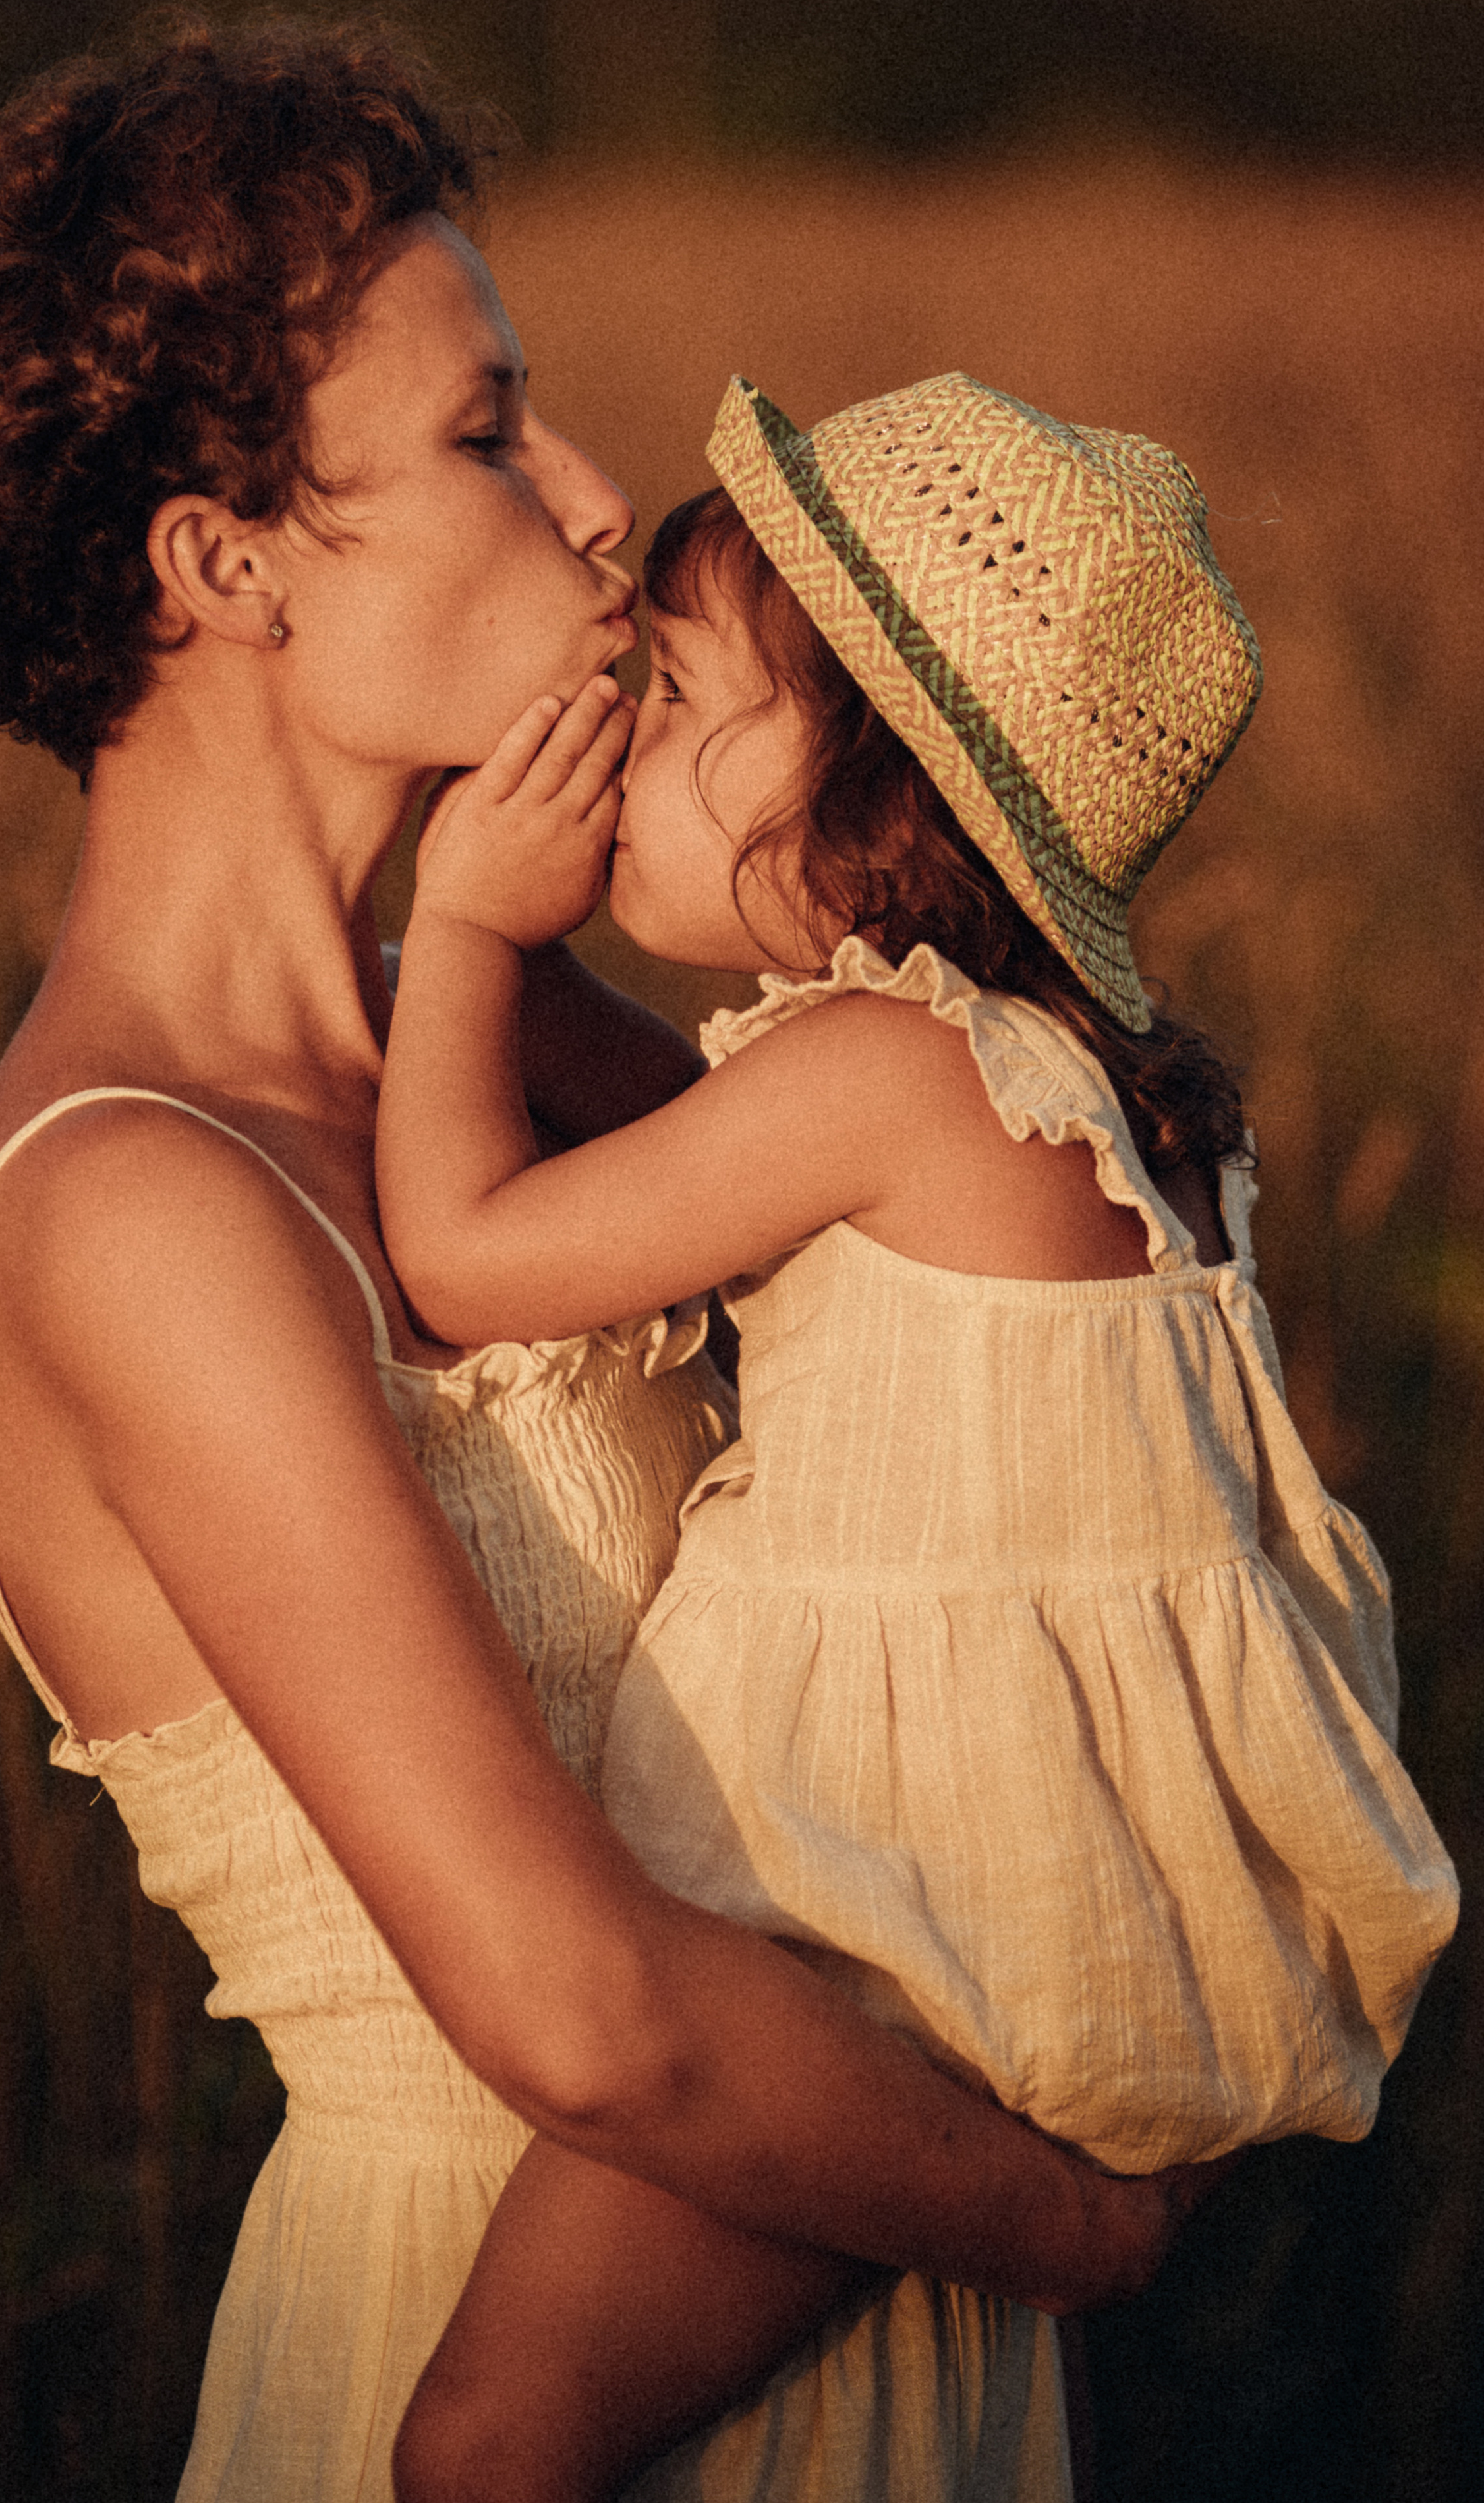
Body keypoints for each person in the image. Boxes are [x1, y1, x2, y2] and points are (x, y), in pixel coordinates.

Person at [0, 24, 1198, 2503]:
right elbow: (577, 2011)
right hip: (503, 2335)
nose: (601, 506)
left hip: (837, 2291)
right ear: (223, 560)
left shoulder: (487, 1040)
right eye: (489, 434)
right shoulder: (133, 1200)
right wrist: (1079, 2221)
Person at [376, 368, 1461, 2498]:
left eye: (677, 692)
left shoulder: (869, 1076)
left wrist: (471, 934)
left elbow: (467, 1257)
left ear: (875, 782)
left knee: (482, 2448)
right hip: (1011, 1915)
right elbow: (699, 1149)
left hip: (879, 1949)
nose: (623, 732)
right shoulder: (1057, 1083)